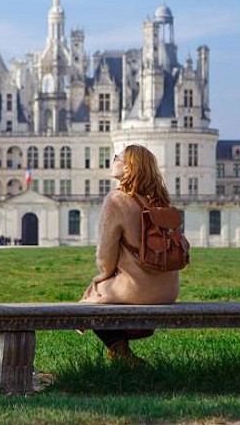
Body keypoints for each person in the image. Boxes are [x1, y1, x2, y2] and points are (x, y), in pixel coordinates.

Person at [80, 144, 180, 365]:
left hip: (139, 290)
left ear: (129, 167)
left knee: (93, 297)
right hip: (169, 290)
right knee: (103, 293)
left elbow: (105, 259)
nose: (112, 159)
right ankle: (122, 352)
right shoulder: (161, 201)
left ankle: (121, 352)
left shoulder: (116, 200)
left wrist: (102, 278)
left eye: (117, 157)